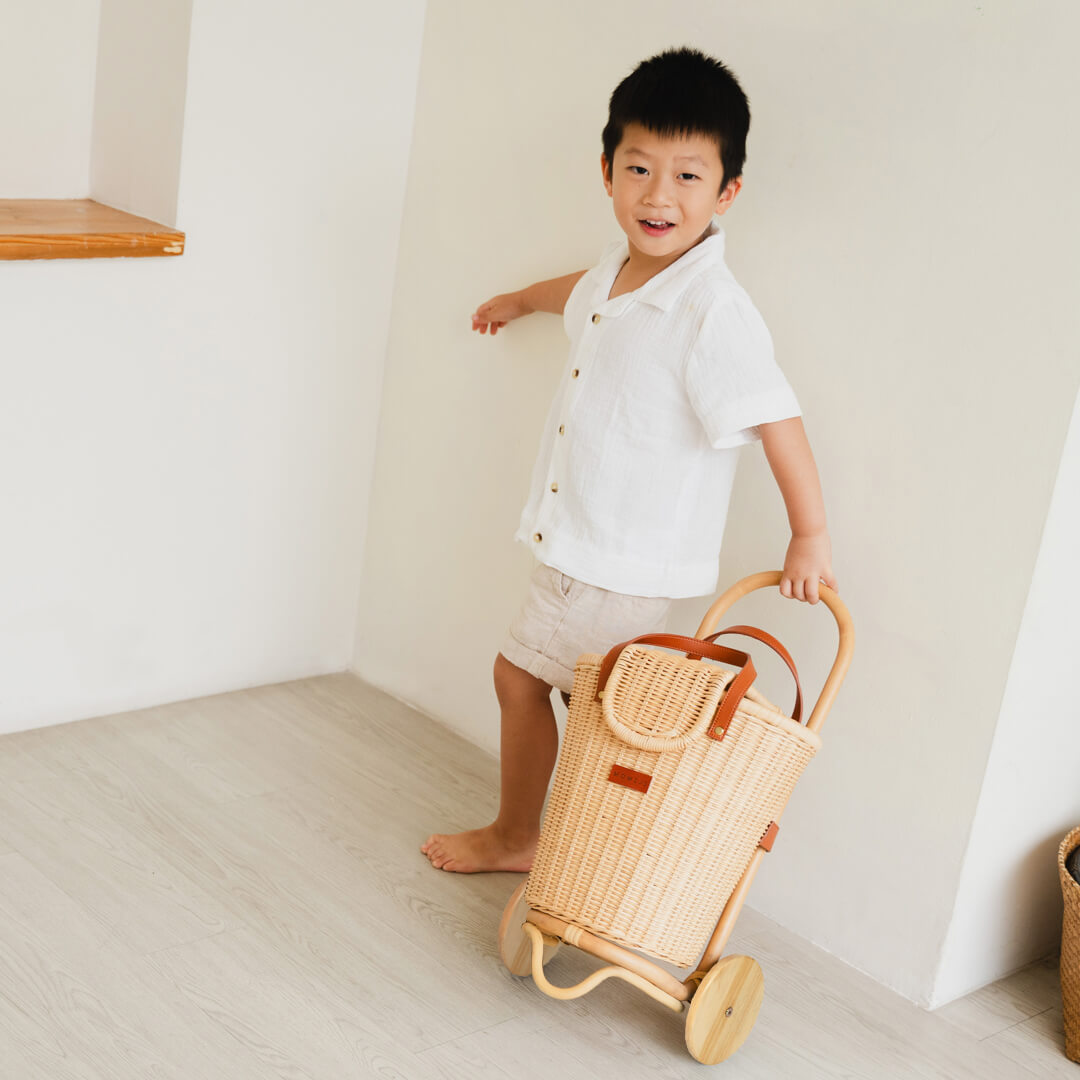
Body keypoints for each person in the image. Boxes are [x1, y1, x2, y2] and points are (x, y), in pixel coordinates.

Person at [422, 46, 837, 874]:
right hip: (587, 543)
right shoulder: (617, 271)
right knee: (596, 705)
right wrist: (518, 300)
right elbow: (577, 287)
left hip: (617, 558)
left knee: (521, 681)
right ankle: (603, 851)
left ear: (728, 194)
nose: (658, 195)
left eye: (688, 177)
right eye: (640, 168)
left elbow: (777, 416)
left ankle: (523, 837)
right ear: (607, 170)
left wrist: (810, 534)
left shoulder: (712, 309)